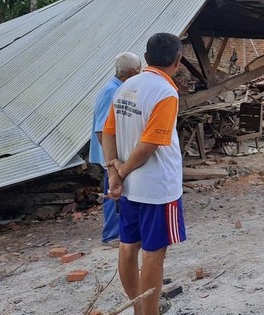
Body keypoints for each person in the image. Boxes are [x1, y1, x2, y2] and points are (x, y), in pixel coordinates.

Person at [102, 33, 186, 315]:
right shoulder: (165, 92)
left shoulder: (126, 86)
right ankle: (146, 312)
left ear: (146, 58)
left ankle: (139, 306)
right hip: (157, 187)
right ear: (178, 60)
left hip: (131, 188)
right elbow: (149, 145)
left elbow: (108, 132)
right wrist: (122, 171)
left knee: (128, 247)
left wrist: (114, 172)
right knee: (154, 253)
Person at [90, 52, 141, 244]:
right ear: (130, 73)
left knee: (117, 192)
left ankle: (117, 232)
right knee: (114, 193)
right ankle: (111, 235)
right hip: (111, 156)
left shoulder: (116, 89)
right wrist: (111, 162)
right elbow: (102, 130)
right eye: (138, 71)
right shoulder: (112, 92)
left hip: (114, 155)